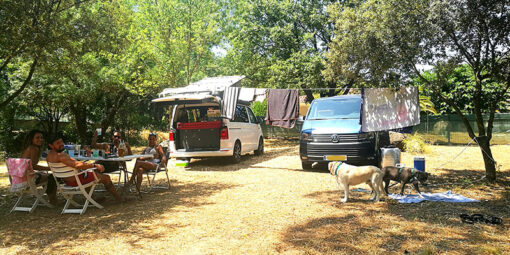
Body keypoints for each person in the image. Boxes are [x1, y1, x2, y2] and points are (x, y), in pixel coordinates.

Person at [46, 134, 125, 202]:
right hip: (77, 180)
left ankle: (93, 198)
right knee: (106, 178)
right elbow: (77, 165)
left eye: (61, 142)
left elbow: (74, 163)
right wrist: (95, 165)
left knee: (91, 173)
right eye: (58, 143)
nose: (61, 144)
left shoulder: (49, 156)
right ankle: (119, 198)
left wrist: (85, 165)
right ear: (51, 146)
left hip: (67, 181)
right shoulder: (61, 155)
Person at [20, 130, 58, 205]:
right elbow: (34, 166)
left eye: (41, 137)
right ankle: (53, 200)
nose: (40, 139)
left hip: (20, 178)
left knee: (45, 175)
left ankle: (52, 199)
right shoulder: (34, 149)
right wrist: (51, 168)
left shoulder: (27, 148)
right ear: (31, 139)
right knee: (52, 177)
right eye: (37, 137)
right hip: (28, 179)